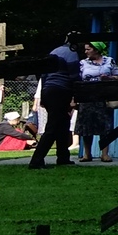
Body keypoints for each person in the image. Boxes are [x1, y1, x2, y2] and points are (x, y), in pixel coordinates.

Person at [29, 36, 82, 168]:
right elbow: (74, 75)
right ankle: (36, 160)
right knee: (53, 127)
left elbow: (44, 75)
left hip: (48, 91)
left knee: (63, 123)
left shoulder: (54, 51)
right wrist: (76, 95)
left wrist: (42, 95)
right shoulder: (72, 53)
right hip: (61, 91)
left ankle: (63, 157)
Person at [76, 41, 118, 162]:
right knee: (86, 126)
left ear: (96, 50)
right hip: (87, 98)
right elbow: (78, 79)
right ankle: (87, 154)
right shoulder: (83, 63)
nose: (86, 52)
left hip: (104, 97)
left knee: (105, 125)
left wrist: (108, 78)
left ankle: (104, 154)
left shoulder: (109, 61)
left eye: (88, 49)